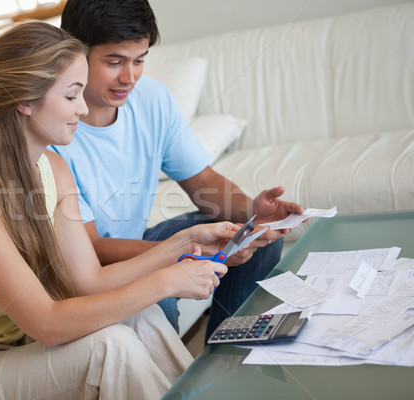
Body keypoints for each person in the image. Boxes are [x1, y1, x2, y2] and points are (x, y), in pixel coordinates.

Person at [0, 20, 244, 400]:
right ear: (25, 101)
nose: (83, 109)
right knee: (109, 346)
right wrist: (168, 281)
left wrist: (183, 242)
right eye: (71, 95)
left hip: (18, 344)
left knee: (142, 314)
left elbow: (89, 282)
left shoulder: (54, 169)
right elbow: (47, 323)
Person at [51, 0, 304, 341]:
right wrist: (185, 254)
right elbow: (91, 248)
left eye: (139, 61)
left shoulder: (152, 98)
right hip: (87, 269)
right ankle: (175, 387)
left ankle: (226, 360)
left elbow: (202, 181)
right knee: (158, 301)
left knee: (255, 236)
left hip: (136, 245)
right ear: (74, 54)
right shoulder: (54, 128)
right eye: (115, 62)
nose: (129, 77)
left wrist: (253, 213)